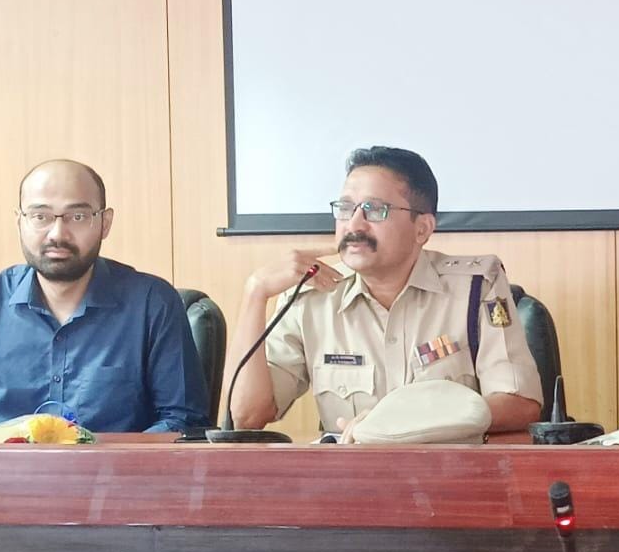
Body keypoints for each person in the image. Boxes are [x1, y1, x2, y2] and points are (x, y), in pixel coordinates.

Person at [226, 146, 542, 434]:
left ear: (422, 229)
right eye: (346, 208)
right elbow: (247, 416)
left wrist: (412, 422)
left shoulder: (476, 288)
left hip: (448, 471)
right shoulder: (311, 296)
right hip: (350, 474)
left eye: (375, 210)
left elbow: (520, 404)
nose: (354, 225)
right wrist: (255, 294)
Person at [0, 160, 209, 432]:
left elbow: (182, 421)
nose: (57, 233)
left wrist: (117, 462)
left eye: (77, 216)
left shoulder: (152, 304)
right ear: (20, 221)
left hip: (113, 473)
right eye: (40, 216)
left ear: (104, 223)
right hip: (6, 472)